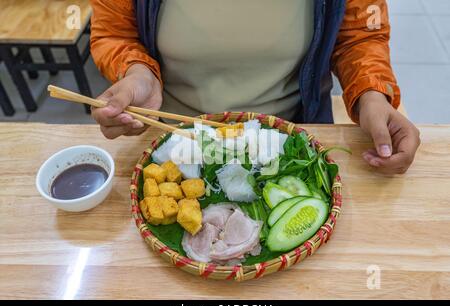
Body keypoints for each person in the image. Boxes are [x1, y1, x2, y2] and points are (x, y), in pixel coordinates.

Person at [89, 0, 420, 174]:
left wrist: (371, 95)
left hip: (290, 141)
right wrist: (137, 74)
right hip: (172, 139)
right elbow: (116, 34)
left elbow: (359, 36)